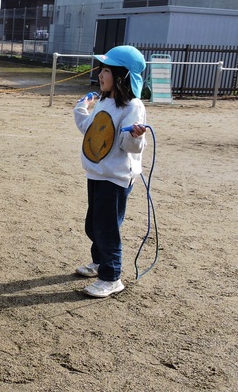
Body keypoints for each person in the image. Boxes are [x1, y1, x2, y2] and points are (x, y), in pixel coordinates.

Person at [73, 45, 148, 297]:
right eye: (101, 69)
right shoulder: (105, 101)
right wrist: (80, 110)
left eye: (106, 70)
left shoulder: (132, 106)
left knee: (107, 228)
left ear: (122, 75)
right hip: (96, 172)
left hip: (115, 177)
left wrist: (136, 137)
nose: (100, 75)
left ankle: (112, 276)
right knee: (94, 225)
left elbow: (129, 146)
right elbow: (92, 133)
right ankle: (99, 262)